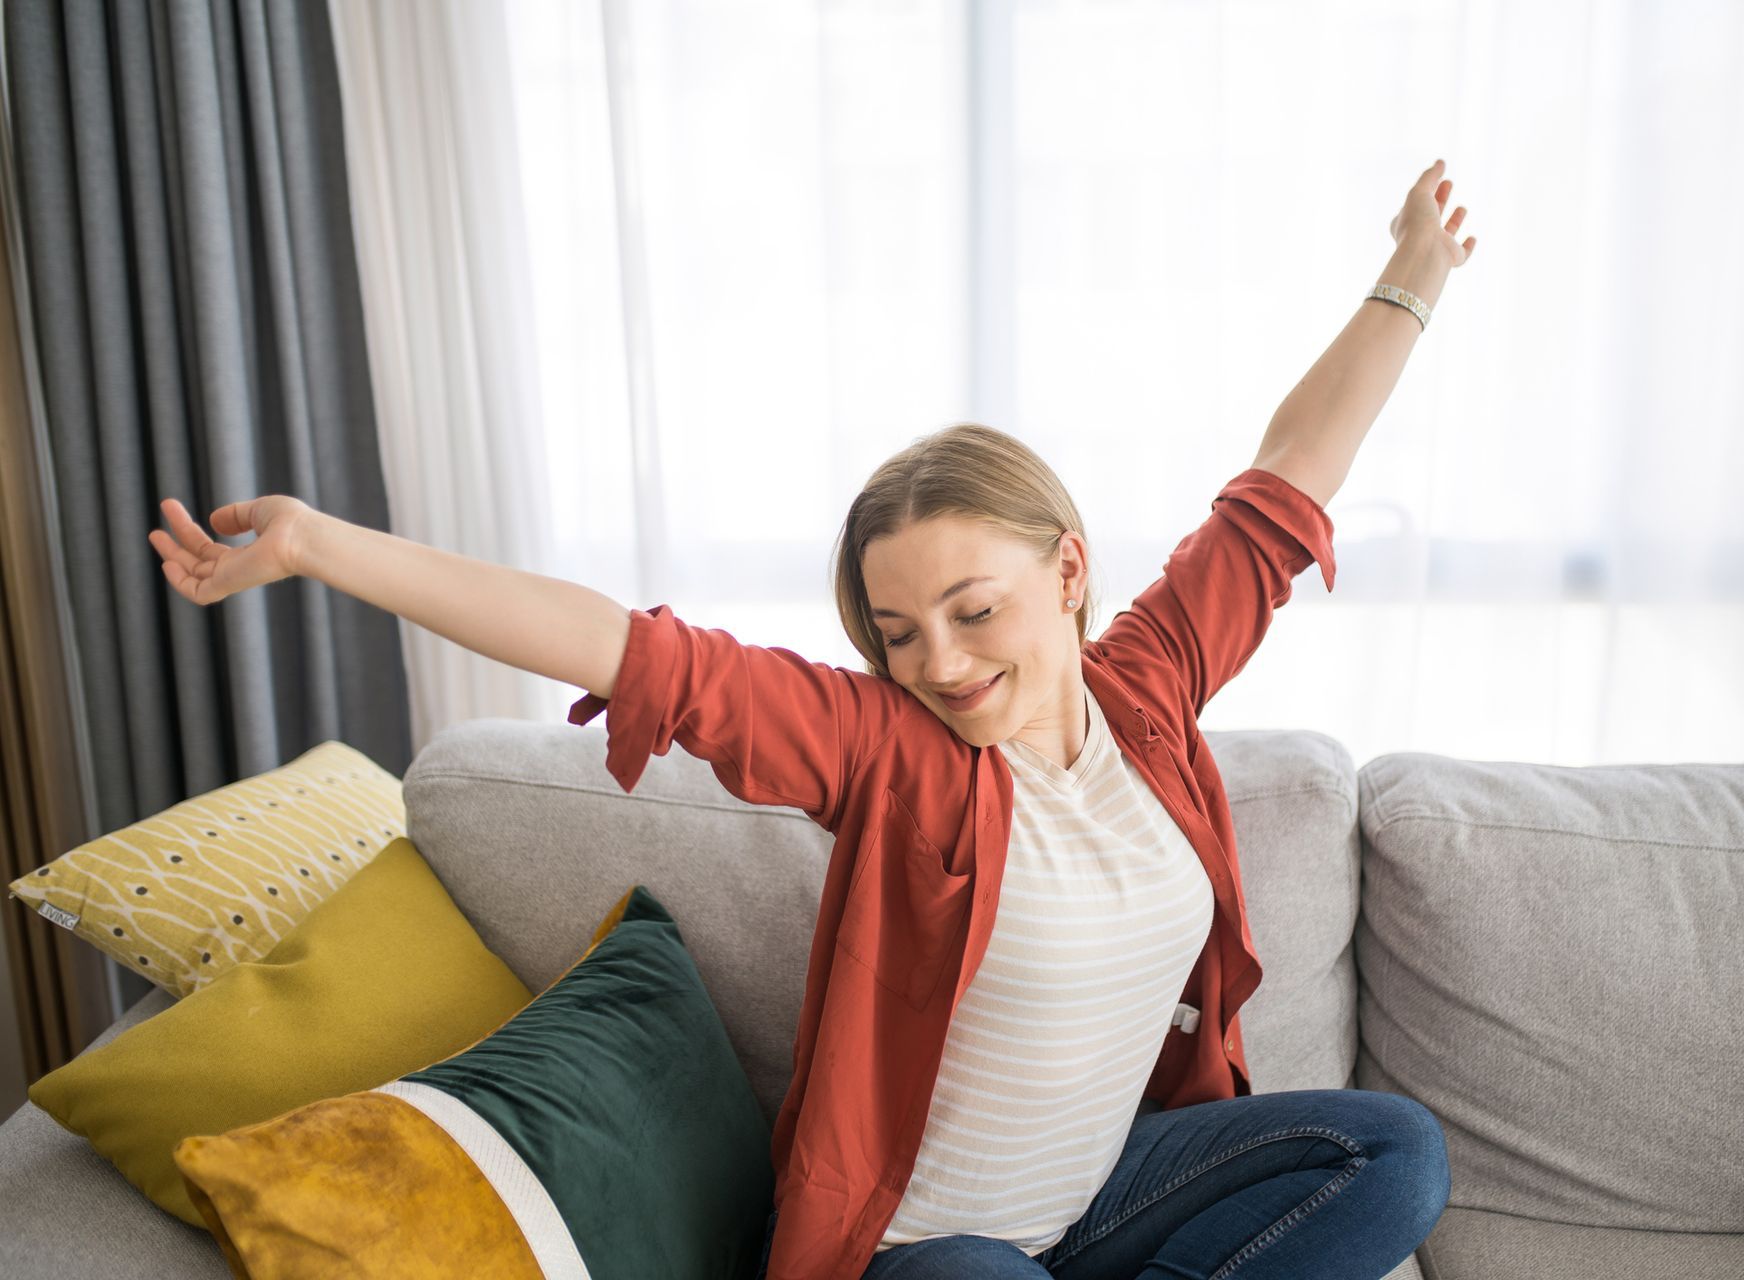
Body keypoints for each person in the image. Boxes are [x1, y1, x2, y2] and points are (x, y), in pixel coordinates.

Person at [150, 160, 1474, 1280]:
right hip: (929, 1251)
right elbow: (628, 648)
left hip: (1104, 1208)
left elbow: (1283, 483)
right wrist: (325, 548)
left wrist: (1411, 275)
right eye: (895, 635)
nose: (939, 666)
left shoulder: (1148, 685)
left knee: (1392, 1153)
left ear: (1067, 573)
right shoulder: (891, 754)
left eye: (972, 611)